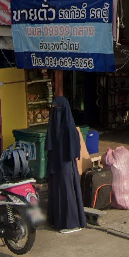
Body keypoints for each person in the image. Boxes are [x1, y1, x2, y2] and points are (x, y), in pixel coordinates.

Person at [45, 96, 86, 233]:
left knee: (66, 193)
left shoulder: (69, 128)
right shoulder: (54, 127)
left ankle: (70, 223)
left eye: (57, 109)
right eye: (53, 109)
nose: (55, 112)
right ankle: (57, 220)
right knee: (56, 192)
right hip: (56, 164)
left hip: (65, 165)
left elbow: (74, 149)